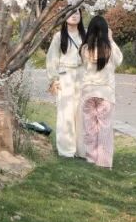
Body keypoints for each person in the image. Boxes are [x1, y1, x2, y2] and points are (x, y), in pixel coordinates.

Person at [79, 14, 123, 168]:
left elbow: (84, 65)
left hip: (88, 92)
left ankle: (91, 158)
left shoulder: (85, 49)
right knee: (105, 127)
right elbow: (119, 60)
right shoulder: (110, 48)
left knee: (89, 127)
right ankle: (103, 161)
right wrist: (111, 39)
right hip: (105, 93)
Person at [46, 9, 86, 158]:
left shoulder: (86, 34)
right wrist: (53, 79)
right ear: (65, 16)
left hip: (82, 76)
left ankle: (82, 150)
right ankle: (66, 150)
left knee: (81, 113)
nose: (74, 16)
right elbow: (52, 58)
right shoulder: (59, 36)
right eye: (71, 13)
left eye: (77, 13)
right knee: (66, 113)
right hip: (65, 76)